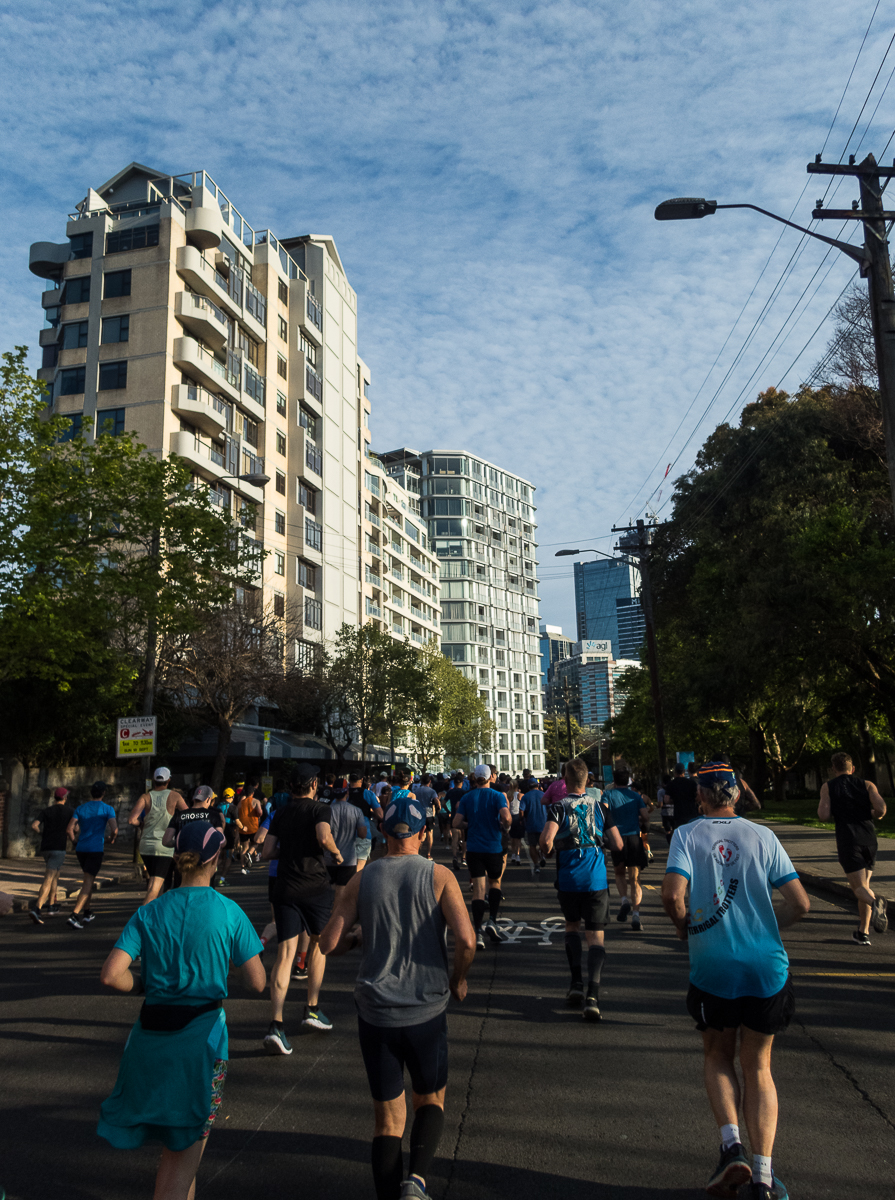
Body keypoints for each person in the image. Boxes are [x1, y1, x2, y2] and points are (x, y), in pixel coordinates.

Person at [661, 761, 810, 1200]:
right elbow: (800, 904)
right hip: (766, 967)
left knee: (718, 1055)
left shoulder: (687, 835)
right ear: (737, 795)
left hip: (714, 966)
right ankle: (763, 1177)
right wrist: (765, 927)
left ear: (701, 797)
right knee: (759, 1066)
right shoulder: (763, 836)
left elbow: (671, 895)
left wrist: (683, 924)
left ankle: (732, 1150)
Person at [320, 791, 476, 1200]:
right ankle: (417, 1182)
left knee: (387, 1120)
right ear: (424, 834)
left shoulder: (363, 877)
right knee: (431, 1097)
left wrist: (356, 938)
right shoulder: (439, 875)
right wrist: (457, 979)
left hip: (376, 1014)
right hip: (425, 1009)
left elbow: (327, 943)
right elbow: (467, 940)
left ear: (383, 832)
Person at [97, 823, 265, 1200]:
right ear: (216, 858)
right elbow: (257, 982)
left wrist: (141, 985)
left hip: (149, 1039)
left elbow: (111, 974)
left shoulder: (151, 911)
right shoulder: (228, 911)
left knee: (176, 1154)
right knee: (185, 1153)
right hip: (201, 1042)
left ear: (178, 859)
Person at [260, 765, 344, 1052]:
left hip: (284, 887)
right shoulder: (320, 809)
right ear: (313, 785)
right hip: (315, 887)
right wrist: (334, 852)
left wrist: (291, 850)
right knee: (318, 947)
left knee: (285, 954)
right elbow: (323, 837)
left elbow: (267, 851)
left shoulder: (281, 811)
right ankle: (311, 1009)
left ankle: (276, 1025)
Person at [540, 758, 623, 1020]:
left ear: (564, 780)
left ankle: (575, 983)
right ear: (588, 780)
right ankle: (593, 996)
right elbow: (618, 844)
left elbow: (546, 840)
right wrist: (600, 843)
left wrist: (551, 850)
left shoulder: (558, 807)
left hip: (569, 879)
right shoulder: (600, 806)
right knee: (596, 937)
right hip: (596, 879)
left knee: (572, 926)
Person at [818, 751, 888, 944]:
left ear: (834, 769)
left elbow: (823, 815)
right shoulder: (867, 784)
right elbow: (881, 809)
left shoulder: (828, 786)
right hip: (869, 839)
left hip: (849, 840)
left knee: (858, 888)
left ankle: (877, 904)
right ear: (852, 768)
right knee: (865, 887)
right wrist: (872, 813)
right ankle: (863, 933)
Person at [452, 764, 511, 949]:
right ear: (490, 777)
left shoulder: (467, 797)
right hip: (493, 846)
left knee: (478, 890)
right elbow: (507, 817)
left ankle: (477, 931)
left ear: (474, 778)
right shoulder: (497, 796)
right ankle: (492, 921)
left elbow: (456, 822)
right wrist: (505, 825)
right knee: (495, 883)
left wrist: (469, 825)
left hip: (474, 848)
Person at [128, 767, 185, 904]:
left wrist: (142, 825)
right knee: (155, 886)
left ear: (154, 780)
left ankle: (155, 916)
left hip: (146, 845)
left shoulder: (146, 797)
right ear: (169, 780)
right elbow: (188, 815)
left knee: (155, 882)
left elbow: (131, 820)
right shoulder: (175, 796)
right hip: (164, 845)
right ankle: (142, 918)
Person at [604, 768, 651, 931]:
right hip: (633, 838)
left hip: (616, 837)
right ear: (628, 781)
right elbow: (645, 816)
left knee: (618, 873)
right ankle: (636, 916)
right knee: (635, 878)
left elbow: (603, 814)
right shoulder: (636, 796)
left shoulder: (608, 795)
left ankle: (624, 900)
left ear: (614, 781)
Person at [66, 784, 118, 929]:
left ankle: (87, 912)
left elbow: (69, 829)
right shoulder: (107, 809)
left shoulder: (81, 808)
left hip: (81, 848)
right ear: (104, 793)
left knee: (88, 878)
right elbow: (115, 829)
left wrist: (75, 841)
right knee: (88, 882)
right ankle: (74, 915)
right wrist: (110, 839)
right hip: (95, 849)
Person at [29, 786, 75, 924]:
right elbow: (75, 828)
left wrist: (42, 833)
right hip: (58, 847)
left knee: (55, 874)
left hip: (46, 847)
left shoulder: (46, 811)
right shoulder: (70, 811)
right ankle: (37, 908)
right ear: (65, 798)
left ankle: (51, 905)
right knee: (49, 877)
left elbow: (34, 826)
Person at [326, 786, 370, 895]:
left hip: (329, 857)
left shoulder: (326, 810)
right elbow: (362, 834)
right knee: (343, 890)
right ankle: (337, 910)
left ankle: (331, 910)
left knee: (330, 888)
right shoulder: (356, 810)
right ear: (347, 793)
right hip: (348, 858)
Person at [519, 779, 547, 878]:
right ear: (537, 785)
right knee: (543, 843)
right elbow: (550, 807)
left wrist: (521, 820)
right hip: (543, 824)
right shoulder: (543, 794)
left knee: (532, 845)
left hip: (531, 824)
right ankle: (542, 855)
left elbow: (521, 811)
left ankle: (536, 865)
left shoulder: (525, 796)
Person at [667, 762, 700, 831]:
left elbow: (666, 800)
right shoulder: (691, 783)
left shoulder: (671, 784)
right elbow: (698, 796)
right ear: (684, 772)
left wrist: (674, 800)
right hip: (692, 813)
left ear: (675, 772)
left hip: (678, 814)